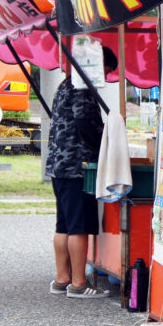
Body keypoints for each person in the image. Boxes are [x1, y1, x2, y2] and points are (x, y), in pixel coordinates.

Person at [46, 51, 113, 299]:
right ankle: (78, 283)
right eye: (106, 71)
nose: (105, 77)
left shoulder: (66, 83)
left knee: (63, 224)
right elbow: (86, 120)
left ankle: (61, 278)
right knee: (78, 227)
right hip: (77, 164)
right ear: (96, 65)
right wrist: (104, 144)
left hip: (58, 164)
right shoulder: (82, 88)